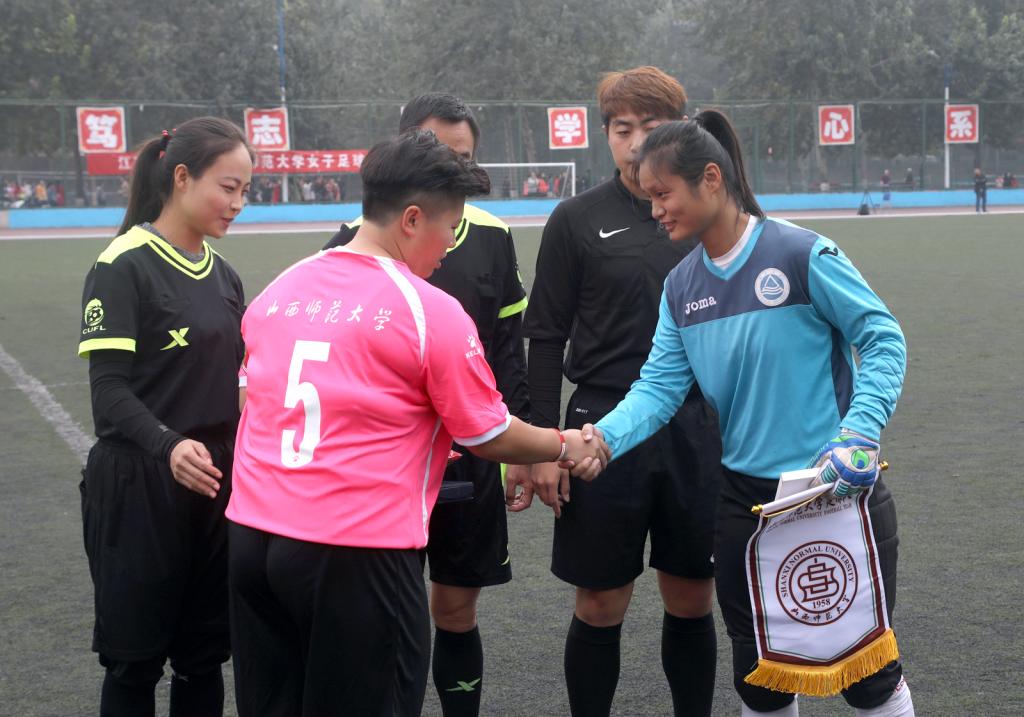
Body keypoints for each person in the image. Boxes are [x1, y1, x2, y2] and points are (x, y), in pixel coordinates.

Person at [227, 130, 609, 716]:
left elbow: (254, 401)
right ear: (411, 219)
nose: (449, 245)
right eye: (449, 227)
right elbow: (488, 433)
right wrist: (562, 443)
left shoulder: (281, 288)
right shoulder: (428, 309)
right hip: (355, 551)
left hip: (253, 538)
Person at [582, 111, 914, 716]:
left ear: (711, 179)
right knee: (761, 679)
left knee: (868, 677)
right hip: (746, 504)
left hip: (833, 491)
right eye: (648, 196)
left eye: (663, 193)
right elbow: (658, 390)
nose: (655, 210)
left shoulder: (801, 254)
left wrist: (860, 432)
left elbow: (883, 337)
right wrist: (601, 439)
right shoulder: (681, 287)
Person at [523, 66, 723, 717]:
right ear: (605, 134)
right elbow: (545, 337)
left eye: (651, 125)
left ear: (681, 127)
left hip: (696, 424)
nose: (636, 141)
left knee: (692, 594)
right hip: (599, 425)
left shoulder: (706, 216)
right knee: (600, 601)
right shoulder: (575, 219)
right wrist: (545, 445)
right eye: (621, 128)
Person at [323, 92, 530, 717]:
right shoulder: (350, 243)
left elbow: (507, 351)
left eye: (465, 157)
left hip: (473, 457)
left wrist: (522, 449)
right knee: (387, 610)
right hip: (385, 470)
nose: (455, 166)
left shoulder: (491, 236)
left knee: (455, 610)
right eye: (443, 152)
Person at [77, 117, 253, 717]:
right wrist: (167, 444)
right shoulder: (122, 264)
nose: (238, 203)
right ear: (181, 177)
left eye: (245, 190)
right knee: (134, 662)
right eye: (227, 187)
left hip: (213, 483)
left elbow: (239, 382)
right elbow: (108, 390)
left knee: (203, 657)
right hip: (139, 483)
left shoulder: (225, 276)